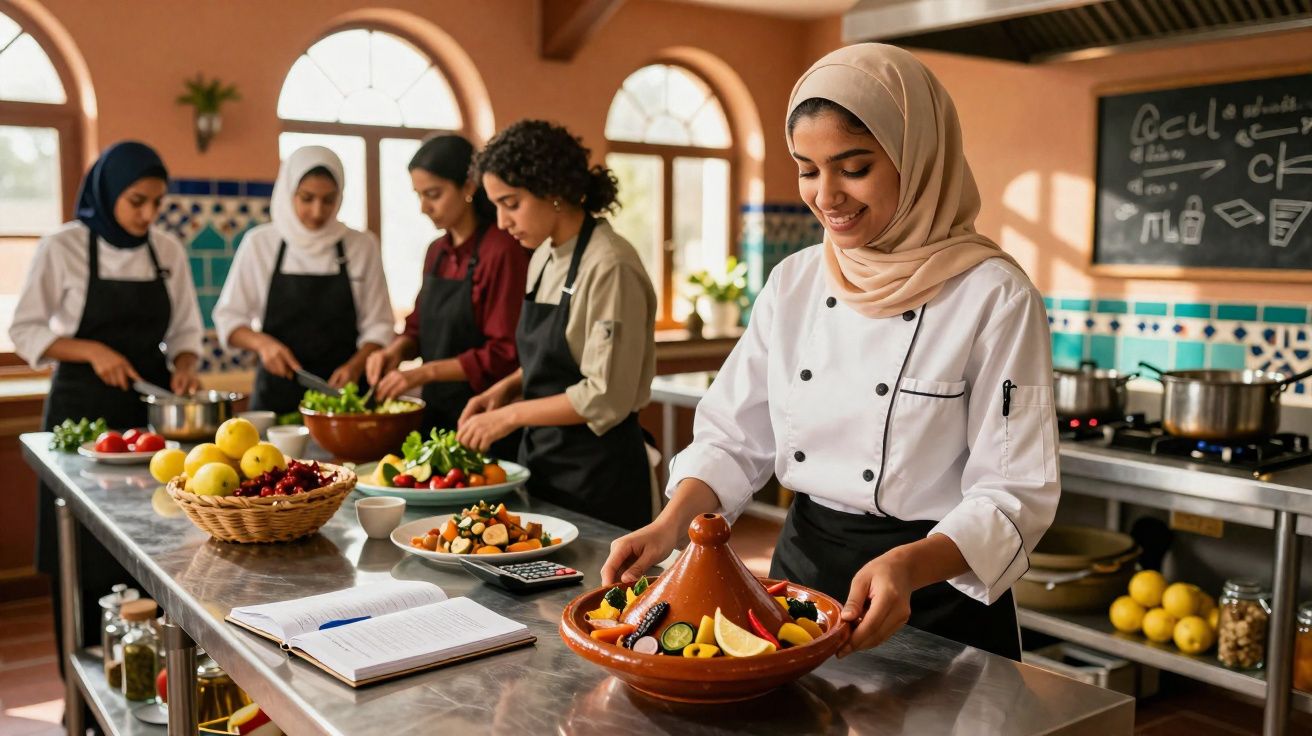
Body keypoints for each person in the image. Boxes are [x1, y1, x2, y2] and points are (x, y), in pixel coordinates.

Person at [601, 44, 1060, 660]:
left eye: (854, 166)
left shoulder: (994, 295)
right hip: (801, 580)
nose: (826, 196)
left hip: (936, 592)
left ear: (917, 158)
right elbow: (733, 436)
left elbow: (1014, 490)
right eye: (808, 169)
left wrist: (908, 564)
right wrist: (668, 527)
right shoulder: (796, 281)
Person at [10, 140, 204, 653]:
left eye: (156, 203)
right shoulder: (64, 246)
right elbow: (26, 330)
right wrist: (92, 350)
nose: (148, 214)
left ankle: (157, 681)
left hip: (149, 417)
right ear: (109, 191)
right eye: (137, 201)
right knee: (82, 549)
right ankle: (85, 694)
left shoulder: (167, 250)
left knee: (155, 543)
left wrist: (184, 367)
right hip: (80, 416)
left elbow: (187, 332)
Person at [457, 120, 657, 530]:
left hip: (600, 479)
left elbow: (605, 395)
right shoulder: (543, 257)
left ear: (552, 191)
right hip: (545, 465)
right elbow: (558, 357)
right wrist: (507, 388)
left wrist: (509, 417)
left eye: (511, 203)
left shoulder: (610, 265)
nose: (501, 222)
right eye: (495, 205)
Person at [365, 135, 530, 455]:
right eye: (419, 195)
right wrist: (395, 352)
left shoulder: (503, 249)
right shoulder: (436, 252)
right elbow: (417, 328)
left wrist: (423, 373)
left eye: (433, 194)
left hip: (486, 420)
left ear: (468, 186)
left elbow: (504, 353)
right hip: (436, 416)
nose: (424, 207)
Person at [213, 146, 393, 414]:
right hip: (276, 399)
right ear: (289, 193)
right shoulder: (260, 243)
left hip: (343, 401)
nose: (318, 211)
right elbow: (229, 318)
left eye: (329, 200)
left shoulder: (361, 245)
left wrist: (355, 366)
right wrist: (264, 345)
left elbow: (379, 325)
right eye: (307, 198)